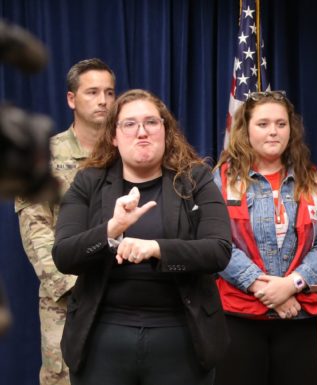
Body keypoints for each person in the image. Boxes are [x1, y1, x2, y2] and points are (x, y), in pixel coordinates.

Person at [51, 89, 232, 385]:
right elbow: (64, 254)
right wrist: (112, 229)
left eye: (151, 122)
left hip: (182, 337)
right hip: (103, 340)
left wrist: (156, 248)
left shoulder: (195, 179)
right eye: (130, 124)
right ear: (114, 136)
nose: (142, 132)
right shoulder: (88, 181)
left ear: (165, 130)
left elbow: (218, 250)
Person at [213, 90, 317, 385]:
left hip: (302, 318)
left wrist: (291, 285)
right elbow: (215, 241)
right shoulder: (220, 180)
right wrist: (263, 288)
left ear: (291, 129)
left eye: (281, 124)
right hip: (237, 318)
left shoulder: (315, 181)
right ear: (245, 130)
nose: (273, 131)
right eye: (263, 124)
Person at [14, 58, 115, 385]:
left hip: (123, 298)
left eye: (110, 92)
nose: (103, 101)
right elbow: (36, 232)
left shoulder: (127, 153)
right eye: (93, 92)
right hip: (67, 301)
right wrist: (76, 286)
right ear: (72, 99)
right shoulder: (45, 156)